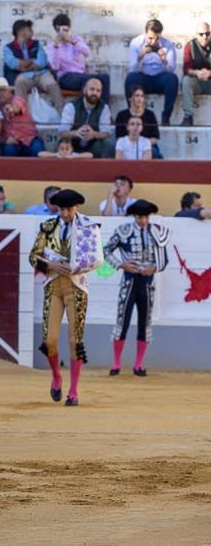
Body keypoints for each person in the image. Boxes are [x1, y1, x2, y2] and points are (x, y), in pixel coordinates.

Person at [29, 188, 103, 407]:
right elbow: (33, 257)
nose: (65, 213)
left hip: (76, 287)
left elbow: (97, 258)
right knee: (49, 340)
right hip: (53, 286)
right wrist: (50, 265)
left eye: (69, 209)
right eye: (61, 209)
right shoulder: (48, 227)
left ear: (76, 208)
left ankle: (73, 390)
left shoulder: (88, 227)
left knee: (75, 339)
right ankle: (57, 376)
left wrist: (75, 267)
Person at [104, 200, 168, 376]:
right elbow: (105, 250)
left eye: (147, 216)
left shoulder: (157, 232)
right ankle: (116, 363)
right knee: (122, 322)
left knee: (144, 323)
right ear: (134, 216)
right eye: (140, 217)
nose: (144, 220)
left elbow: (164, 260)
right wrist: (121, 265)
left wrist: (154, 268)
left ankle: (138, 364)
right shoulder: (123, 231)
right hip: (129, 281)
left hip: (147, 283)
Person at [125, 19, 180, 126]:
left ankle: (166, 117)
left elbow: (171, 70)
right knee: (130, 79)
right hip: (142, 78)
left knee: (172, 79)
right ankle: (133, 114)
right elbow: (133, 69)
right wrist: (140, 56)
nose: (153, 42)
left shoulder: (168, 45)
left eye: (157, 38)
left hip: (160, 78)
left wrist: (164, 60)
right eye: (150, 38)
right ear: (146, 33)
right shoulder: (136, 43)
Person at [47, 13, 110, 105]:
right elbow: (55, 67)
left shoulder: (76, 39)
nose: (64, 33)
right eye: (61, 30)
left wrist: (72, 42)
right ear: (56, 30)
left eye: (66, 30)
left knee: (105, 78)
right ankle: (82, 111)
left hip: (80, 75)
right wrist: (56, 46)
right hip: (66, 77)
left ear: (69, 28)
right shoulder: (52, 45)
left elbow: (87, 53)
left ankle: (104, 111)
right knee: (88, 81)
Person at [3, 19, 63, 110]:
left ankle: (64, 117)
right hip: (24, 76)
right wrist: (32, 61)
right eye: (29, 29)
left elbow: (42, 61)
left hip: (42, 73)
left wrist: (24, 65)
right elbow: (13, 63)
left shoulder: (37, 44)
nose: (32, 32)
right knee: (19, 83)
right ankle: (22, 118)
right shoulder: (8, 48)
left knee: (52, 85)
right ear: (21, 32)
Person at [59, 78, 114, 158]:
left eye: (98, 91)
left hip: (93, 146)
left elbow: (107, 132)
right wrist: (76, 133)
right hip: (73, 144)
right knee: (61, 143)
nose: (95, 93)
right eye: (92, 89)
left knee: (107, 145)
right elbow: (62, 132)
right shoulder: (71, 106)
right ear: (84, 90)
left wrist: (94, 134)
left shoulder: (104, 107)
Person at [0, 76, 44, 157]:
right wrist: (5, 141)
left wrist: (11, 109)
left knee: (37, 150)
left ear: (9, 91)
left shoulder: (17, 99)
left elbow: (17, 108)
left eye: (2, 90)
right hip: (12, 143)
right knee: (9, 150)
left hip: (29, 139)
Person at [181, 22, 210, 127]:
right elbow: (186, 69)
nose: (205, 37)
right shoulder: (190, 46)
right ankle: (188, 117)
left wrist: (209, 73)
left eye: (207, 33)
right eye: (201, 34)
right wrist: (197, 73)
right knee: (186, 81)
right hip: (197, 81)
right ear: (196, 35)